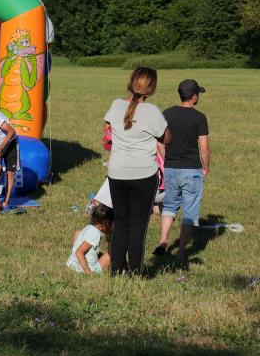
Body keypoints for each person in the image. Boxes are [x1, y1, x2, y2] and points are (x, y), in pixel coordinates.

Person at [103, 66, 170, 275]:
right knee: (138, 227)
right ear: (151, 88)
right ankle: (135, 272)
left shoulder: (115, 105)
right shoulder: (152, 112)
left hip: (117, 173)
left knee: (121, 223)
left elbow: (108, 131)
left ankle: (116, 270)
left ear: (130, 83)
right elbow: (166, 138)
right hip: (144, 174)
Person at [154, 79, 210, 264]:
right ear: (194, 97)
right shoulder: (199, 118)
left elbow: (160, 142)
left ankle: (163, 241)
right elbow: (204, 148)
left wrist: (166, 159)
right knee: (190, 212)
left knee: (169, 206)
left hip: (170, 167)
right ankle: (180, 254)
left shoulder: (167, 114)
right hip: (191, 169)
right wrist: (206, 166)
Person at [67, 204, 114, 275]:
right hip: (84, 269)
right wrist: (87, 271)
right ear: (106, 223)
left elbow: (76, 233)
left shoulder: (88, 227)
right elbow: (79, 252)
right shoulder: (96, 234)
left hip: (72, 265)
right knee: (112, 254)